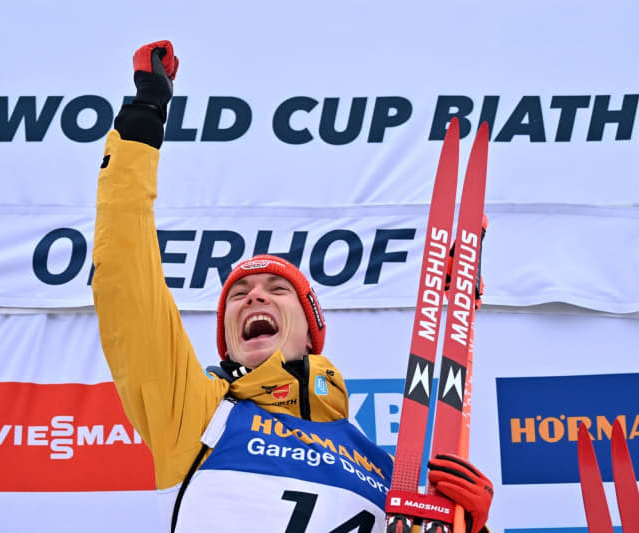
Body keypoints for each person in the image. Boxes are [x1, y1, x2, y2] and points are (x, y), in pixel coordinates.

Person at [92, 40, 493, 533]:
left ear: (312, 329)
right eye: (238, 296)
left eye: (276, 290)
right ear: (229, 340)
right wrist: (142, 124)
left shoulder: (387, 474)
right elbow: (127, 283)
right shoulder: (197, 415)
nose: (254, 297)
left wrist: (472, 528)